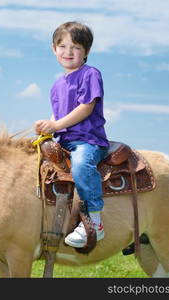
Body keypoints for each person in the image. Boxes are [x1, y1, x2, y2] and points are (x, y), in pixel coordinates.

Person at [34, 21, 109, 248]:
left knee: (81, 167)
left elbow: (85, 107)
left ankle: (94, 220)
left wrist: (55, 126)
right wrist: (47, 127)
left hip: (88, 140)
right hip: (65, 141)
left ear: (86, 51)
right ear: (54, 49)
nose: (68, 52)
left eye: (76, 47)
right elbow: (58, 114)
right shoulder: (57, 84)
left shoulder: (90, 74)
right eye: (63, 46)